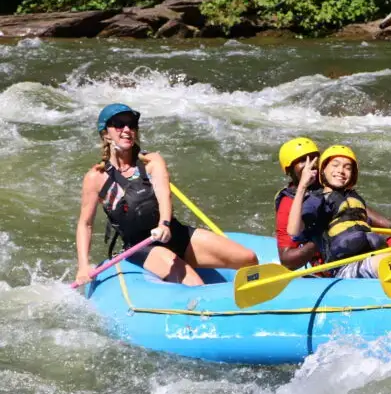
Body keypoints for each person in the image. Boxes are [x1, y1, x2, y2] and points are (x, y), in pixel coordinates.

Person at [75, 103, 257, 287]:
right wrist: (83, 267)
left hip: (172, 232)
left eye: (131, 124)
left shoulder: (151, 161)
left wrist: (164, 224)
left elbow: (164, 196)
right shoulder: (96, 177)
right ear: (106, 134)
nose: (127, 129)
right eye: (119, 124)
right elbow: (85, 224)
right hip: (142, 246)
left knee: (248, 258)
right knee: (195, 283)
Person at [287, 145, 391, 278]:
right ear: (323, 170)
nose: (341, 171)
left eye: (347, 167)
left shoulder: (354, 199)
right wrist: (302, 186)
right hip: (345, 269)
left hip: (371, 256)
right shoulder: (317, 201)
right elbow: (293, 231)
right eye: (335, 165)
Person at [274, 137, 323, 270]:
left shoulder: (330, 186)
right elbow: (287, 260)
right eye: (302, 161)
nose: (310, 165)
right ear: (289, 170)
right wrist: (322, 238)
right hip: (328, 267)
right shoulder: (288, 203)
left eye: (313, 158)